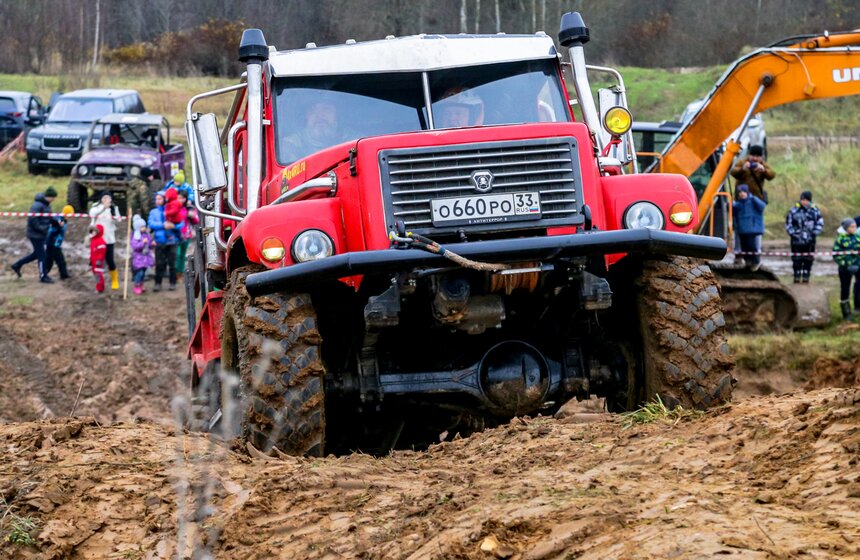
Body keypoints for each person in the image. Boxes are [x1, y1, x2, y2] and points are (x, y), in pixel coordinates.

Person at [10, 186, 58, 283]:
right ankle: (43, 276)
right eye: (52, 197)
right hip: (35, 235)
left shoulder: (47, 205)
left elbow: (48, 216)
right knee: (42, 255)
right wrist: (42, 228)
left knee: (37, 254)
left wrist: (56, 222)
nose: (53, 200)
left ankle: (17, 265)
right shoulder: (37, 205)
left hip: (41, 234)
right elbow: (32, 219)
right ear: (48, 196)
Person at [283, 97, 353, 161]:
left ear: (336, 114)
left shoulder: (352, 139)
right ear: (306, 116)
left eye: (326, 109)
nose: (319, 115)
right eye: (312, 110)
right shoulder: (291, 145)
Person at [784, 191, 824, 283]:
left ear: (809, 200)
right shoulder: (793, 210)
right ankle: (796, 275)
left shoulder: (815, 210)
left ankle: (806, 275)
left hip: (810, 239)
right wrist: (793, 234)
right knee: (796, 258)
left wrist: (814, 233)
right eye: (802, 199)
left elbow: (820, 223)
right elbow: (788, 223)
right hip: (796, 240)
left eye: (806, 200)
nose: (804, 201)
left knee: (808, 258)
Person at [89, 192, 121, 290]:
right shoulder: (96, 207)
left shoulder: (114, 207)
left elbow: (118, 220)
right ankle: (99, 282)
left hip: (109, 238)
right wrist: (104, 207)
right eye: (104, 198)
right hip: (97, 238)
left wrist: (113, 212)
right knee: (97, 261)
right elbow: (92, 214)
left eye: (108, 198)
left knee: (110, 260)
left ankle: (114, 279)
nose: (106, 200)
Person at [148, 191, 179, 291]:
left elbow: (180, 223)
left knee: (172, 263)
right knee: (159, 264)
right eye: (156, 199)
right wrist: (162, 225)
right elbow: (151, 223)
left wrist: (173, 226)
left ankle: (173, 283)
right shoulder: (153, 212)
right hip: (159, 241)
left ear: (165, 199)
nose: (157, 201)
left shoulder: (173, 210)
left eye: (159, 198)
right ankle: (158, 283)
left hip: (172, 241)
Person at [732, 184, 766, 271]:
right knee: (744, 247)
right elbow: (733, 212)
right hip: (741, 230)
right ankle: (748, 262)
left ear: (747, 192)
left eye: (743, 192)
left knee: (751, 246)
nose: (741, 194)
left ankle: (755, 262)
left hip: (751, 229)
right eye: (740, 192)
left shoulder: (753, 200)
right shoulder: (738, 204)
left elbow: (762, 206)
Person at [833, 218, 860, 320]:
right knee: (845, 289)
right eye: (852, 227)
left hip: (857, 266)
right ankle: (846, 312)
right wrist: (845, 264)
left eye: (855, 226)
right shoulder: (840, 239)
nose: (854, 228)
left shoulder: (857, 237)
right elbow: (836, 254)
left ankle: (858, 307)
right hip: (845, 269)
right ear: (846, 228)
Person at [43, 205, 73, 281]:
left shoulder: (63, 219)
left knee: (55, 260)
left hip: (56, 243)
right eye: (70, 214)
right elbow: (51, 230)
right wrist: (59, 227)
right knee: (55, 260)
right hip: (53, 243)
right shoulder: (58, 219)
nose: (71, 216)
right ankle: (45, 274)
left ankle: (62, 274)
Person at [174, 191, 199, 280]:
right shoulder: (173, 208)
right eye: (178, 198)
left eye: (182, 198)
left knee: (182, 255)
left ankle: (179, 273)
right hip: (176, 235)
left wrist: (192, 216)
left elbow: (196, 220)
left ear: (185, 199)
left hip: (186, 235)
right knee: (177, 254)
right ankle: (174, 272)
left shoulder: (189, 208)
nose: (180, 200)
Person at [130, 214, 154, 295]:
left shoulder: (146, 235)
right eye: (142, 227)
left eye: (144, 226)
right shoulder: (135, 236)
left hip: (146, 258)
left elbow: (149, 244)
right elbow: (135, 247)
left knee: (144, 273)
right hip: (138, 258)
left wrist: (152, 244)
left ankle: (141, 284)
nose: (144, 228)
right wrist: (142, 243)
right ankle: (137, 285)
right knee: (139, 273)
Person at [89, 224, 107, 293]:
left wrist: (99, 260)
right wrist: (91, 260)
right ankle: (99, 287)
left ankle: (100, 288)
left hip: (99, 262)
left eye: (95, 231)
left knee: (98, 275)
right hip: (94, 261)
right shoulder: (94, 240)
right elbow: (92, 252)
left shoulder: (100, 241)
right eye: (92, 231)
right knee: (96, 274)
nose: (93, 232)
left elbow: (101, 253)